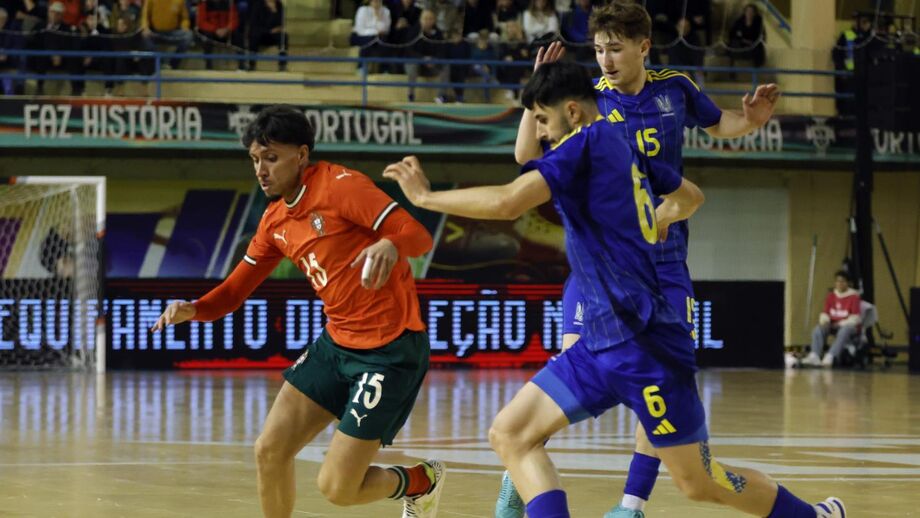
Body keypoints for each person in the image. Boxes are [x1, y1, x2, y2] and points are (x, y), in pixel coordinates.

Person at [384, 61, 845, 518]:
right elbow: (690, 197)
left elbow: (509, 201)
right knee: (511, 433)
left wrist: (425, 198)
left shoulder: (582, 146)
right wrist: (656, 219)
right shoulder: (625, 143)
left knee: (699, 483)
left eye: (543, 119)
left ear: (574, 111)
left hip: (646, 347)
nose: (541, 132)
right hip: (601, 341)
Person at [505, 2, 781, 517]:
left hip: (664, 264)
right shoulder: (587, 104)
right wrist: (537, 91)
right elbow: (527, 156)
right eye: (599, 49)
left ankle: (631, 505)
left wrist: (751, 121)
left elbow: (721, 124)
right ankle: (516, 470)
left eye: (615, 48)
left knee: (656, 384)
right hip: (602, 268)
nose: (606, 59)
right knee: (566, 366)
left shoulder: (675, 88)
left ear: (643, 48)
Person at [150, 105, 445, 518]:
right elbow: (234, 293)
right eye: (255, 159)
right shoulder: (274, 221)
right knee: (269, 450)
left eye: (271, 158)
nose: (261, 169)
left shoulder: (341, 187)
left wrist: (391, 244)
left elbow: (416, 234)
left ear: (302, 155)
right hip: (335, 346)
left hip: (388, 352)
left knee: (338, 488)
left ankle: (421, 481)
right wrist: (193, 309)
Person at [803, 270, 862, 368]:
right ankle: (815, 355)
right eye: (837, 281)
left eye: (842, 281)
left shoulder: (854, 297)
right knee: (818, 329)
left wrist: (840, 324)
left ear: (848, 283)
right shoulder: (831, 296)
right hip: (832, 324)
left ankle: (831, 355)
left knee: (845, 330)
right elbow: (825, 312)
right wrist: (825, 321)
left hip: (848, 326)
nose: (839, 284)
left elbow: (855, 318)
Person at [404, 8, 448, 102]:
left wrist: (433, 59)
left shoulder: (438, 33)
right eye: (425, 18)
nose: (428, 21)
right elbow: (409, 51)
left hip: (432, 64)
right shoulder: (413, 31)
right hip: (417, 63)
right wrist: (423, 59)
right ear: (420, 19)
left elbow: (442, 51)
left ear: (434, 20)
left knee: (445, 67)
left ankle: (441, 97)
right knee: (412, 67)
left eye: (430, 18)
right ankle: (410, 96)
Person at [139, 0, 194, 69]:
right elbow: (145, 16)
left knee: (188, 36)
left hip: (173, 33)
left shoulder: (179, 1)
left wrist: (184, 26)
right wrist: (145, 28)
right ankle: (160, 63)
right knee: (144, 36)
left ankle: (173, 64)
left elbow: (185, 18)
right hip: (155, 33)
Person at [197, 0, 245, 70]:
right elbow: (201, 22)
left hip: (226, 31)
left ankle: (242, 67)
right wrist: (215, 29)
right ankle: (208, 66)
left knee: (238, 35)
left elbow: (234, 20)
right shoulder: (204, 3)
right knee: (206, 37)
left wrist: (227, 29)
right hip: (212, 32)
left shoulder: (229, 3)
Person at [350, 0, 390, 73]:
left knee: (383, 40)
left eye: (378, 1)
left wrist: (377, 16)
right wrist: (375, 32)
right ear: (370, 2)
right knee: (370, 40)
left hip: (378, 37)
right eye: (374, 1)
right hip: (359, 36)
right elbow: (360, 30)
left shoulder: (386, 11)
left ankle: (384, 69)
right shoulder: (362, 10)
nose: (376, 3)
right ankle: (361, 67)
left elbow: (385, 29)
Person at [247, 0, 287, 71]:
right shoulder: (258, 5)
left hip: (273, 34)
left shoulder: (279, 5)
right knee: (254, 36)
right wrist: (269, 31)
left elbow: (281, 22)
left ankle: (282, 65)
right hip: (260, 33)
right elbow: (254, 24)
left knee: (284, 37)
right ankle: (252, 65)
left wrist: (274, 11)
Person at [727, 3, 765, 69]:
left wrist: (752, 42)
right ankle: (732, 70)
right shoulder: (739, 21)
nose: (749, 13)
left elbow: (761, 37)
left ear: (755, 13)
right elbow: (732, 34)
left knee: (758, 51)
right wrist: (742, 40)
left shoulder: (759, 23)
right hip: (741, 44)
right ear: (745, 12)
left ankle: (756, 69)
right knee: (733, 44)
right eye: (747, 11)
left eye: (751, 11)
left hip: (754, 45)